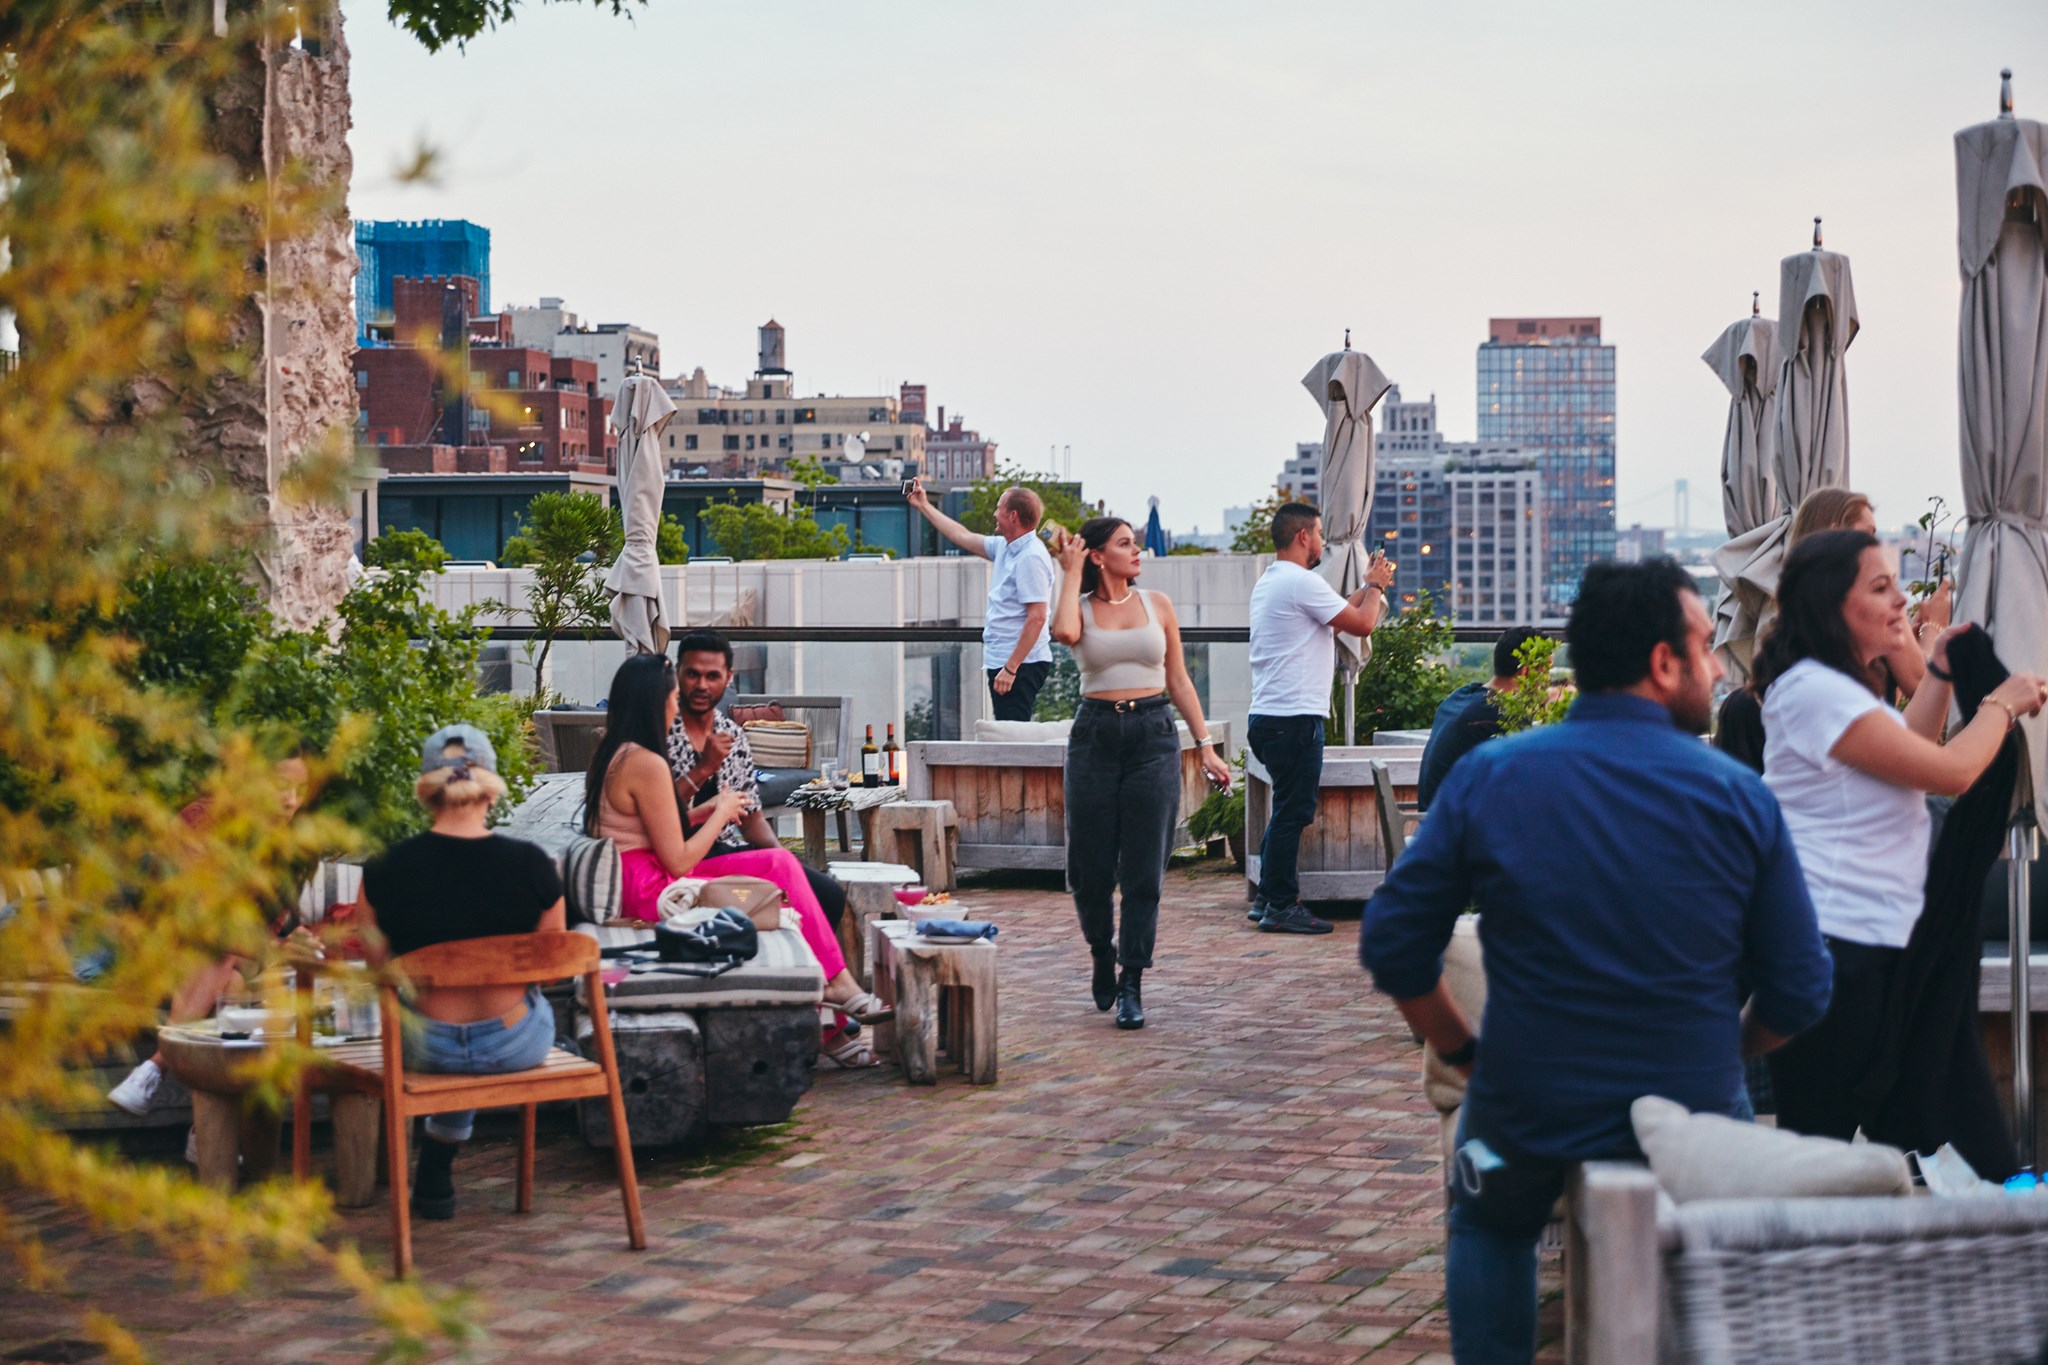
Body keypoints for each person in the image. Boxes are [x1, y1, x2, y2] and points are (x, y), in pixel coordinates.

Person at [1361, 558, 1834, 1365]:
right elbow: (1801, 988)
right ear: (1663, 662)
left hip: (1525, 1101)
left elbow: (1393, 941)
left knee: (1487, 1218)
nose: (1718, 667)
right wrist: (1727, 1047)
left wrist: (1467, 1053)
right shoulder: (1739, 795)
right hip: (1690, 1106)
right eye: (1705, 647)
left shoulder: (1492, 775)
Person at [1754, 529, 2048, 1144]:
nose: (1901, 601)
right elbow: (1952, 772)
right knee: (1823, 1150)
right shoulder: (1815, 693)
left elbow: (1912, 746)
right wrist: (2000, 704)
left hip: (1867, 944)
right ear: (1834, 606)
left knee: (1858, 1139)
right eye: (1881, 587)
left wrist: (1938, 670)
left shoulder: (1835, 691)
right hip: (1835, 949)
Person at [586, 653, 893, 1064]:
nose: (677, 705)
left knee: (782, 874)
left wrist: (708, 809)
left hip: (638, 876)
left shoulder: (618, 752)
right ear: (654, 701)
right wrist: (721, 812)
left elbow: (654, 827)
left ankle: (830, 1012)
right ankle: (835, 992)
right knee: (779, 871)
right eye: (674, 696)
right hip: (650, 889)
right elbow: (677, 860)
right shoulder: (646, 762)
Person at [357, 725, 565, 1221]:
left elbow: (378, 970)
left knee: (434, 1026)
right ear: (491, 788)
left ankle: (436, 1162)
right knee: (529, 1008)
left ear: (427, 791)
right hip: (514, 1043)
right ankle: (440, 1155)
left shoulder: (383, 868)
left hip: (424, 1046)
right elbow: (554, 969)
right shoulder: (534, 864)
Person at [1049, 516, 1233, 1029]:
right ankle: (1100, 951)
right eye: (1125, 543)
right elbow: (1063, 632)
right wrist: (1069, 570)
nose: (1137, 551)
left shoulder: (1158, 605)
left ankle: (1132, 981)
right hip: (1094, 736)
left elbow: (1179, 679)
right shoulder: (1079, 606)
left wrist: (1205, 747)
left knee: (1144, 868)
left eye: (1136, 543)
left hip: (1154, 734)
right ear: (1098, 555)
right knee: (1088, 870)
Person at [107, 754, 314, 1135]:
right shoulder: (201, 820)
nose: (291, 801)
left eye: (300, 791)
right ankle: (206, 1131)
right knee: (228, 976)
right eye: (281, 787)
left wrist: (291, 939)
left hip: (237, 951)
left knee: (226, 956)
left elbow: (271, 921)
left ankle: (155, 1068)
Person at [1716, 486, 1952, 771]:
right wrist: (1934, 627)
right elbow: (1919, 684)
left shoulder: (1788, 646)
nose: (1873, 546)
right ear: (1836, 537)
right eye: (1866, 535)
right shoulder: (1866, 608)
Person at [1245, 502, 1395, 934]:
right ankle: (1281, 905)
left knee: (1285, 809)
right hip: (1293, 718)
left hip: (1270, 715)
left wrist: (1365, 586)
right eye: (1319, 534)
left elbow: (1336, 617)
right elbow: (1363, 624)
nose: (1323, 542)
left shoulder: (1273, 581)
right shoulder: (1300, 582)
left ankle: (1268, 897)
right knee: (1293, 813)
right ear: (1303, 537)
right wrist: (1377, 587)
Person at [664, 628, 849, 932]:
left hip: (725, 851)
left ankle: (801, 962)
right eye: (692, 674)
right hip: (679, 858)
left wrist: (783, 859)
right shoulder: (662, 730)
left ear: (728, 677)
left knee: (828, 895)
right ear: (678, 673)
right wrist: (703, 768)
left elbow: (751, 820)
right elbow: (661, 814)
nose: (701, 685)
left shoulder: (733, 735)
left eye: (712, 676)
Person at [905, 476, 1055, 720]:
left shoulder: (1030, 557)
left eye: (998, 508)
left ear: (1013, 516)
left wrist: (1011, 668)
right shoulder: (1006, 547)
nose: (995, 514)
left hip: (1020, 665)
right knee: (1008, 729)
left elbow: (1037, 618)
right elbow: (961, 535)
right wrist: (924, 505)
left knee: (1012, 734)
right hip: (1005, 660)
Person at [1417, 626, 1541, 810]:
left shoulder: (1463, 695)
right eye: (1546, 671)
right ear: (1525, 673)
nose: (1547, 681)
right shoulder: (1501, 713)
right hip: (1456, 822)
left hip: (1435, 816)